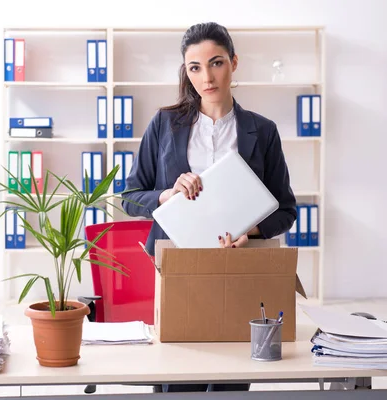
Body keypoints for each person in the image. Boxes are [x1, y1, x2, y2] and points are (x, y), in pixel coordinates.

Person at [121, 22, 297, 393]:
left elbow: (285, 211)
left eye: (216, 63)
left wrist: (249, 230)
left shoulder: (261, 131)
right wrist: (167, 195)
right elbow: (131, 196)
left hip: (238, 267)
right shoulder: (164, 125)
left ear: (234, 62)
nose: (206, 76)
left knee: (231, 377)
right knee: (175, 376)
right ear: (186, 71)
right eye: (194, 68)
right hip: (176, 265)